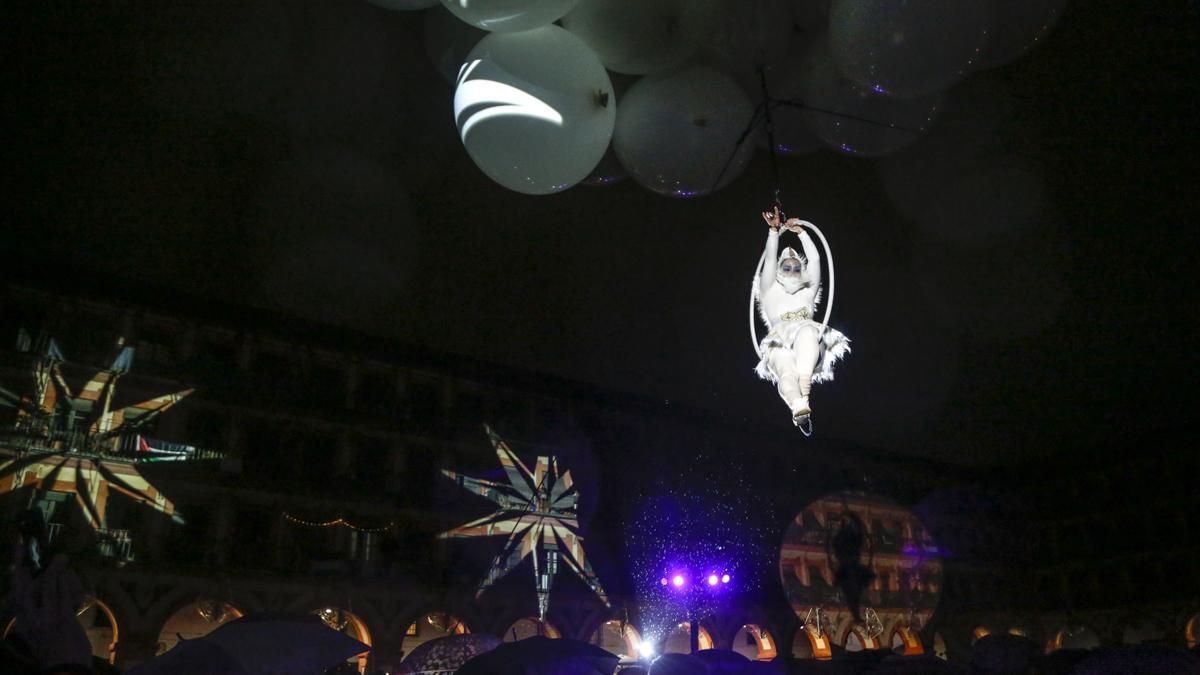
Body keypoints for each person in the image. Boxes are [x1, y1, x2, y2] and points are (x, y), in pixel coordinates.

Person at [754, 206, 850, 427]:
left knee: (807, 332)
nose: (791, 268)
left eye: (796, 265)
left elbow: (815, 261)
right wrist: (773, 232)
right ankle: (797, 405)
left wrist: (802, 232)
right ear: (779, 271)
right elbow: (769, 260)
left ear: (801, 269)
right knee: (785, 372)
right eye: (786, 266)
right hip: (779, 338)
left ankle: (804, 390)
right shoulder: (769, 290)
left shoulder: (809, 291)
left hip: (805, 339)